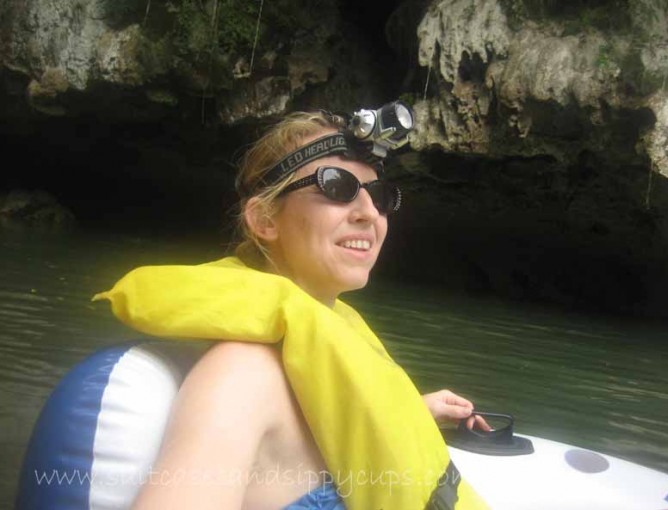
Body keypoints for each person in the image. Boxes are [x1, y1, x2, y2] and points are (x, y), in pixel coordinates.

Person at [95, 107, 490, 510]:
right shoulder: (242, 377)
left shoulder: (329, 332)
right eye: (337, 187)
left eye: (381, 197)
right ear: (265, 219)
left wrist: (410, 410)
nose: (369, 213)